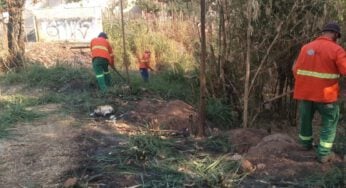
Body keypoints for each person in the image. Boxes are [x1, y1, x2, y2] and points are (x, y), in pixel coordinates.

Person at [292, 22, 346, 163]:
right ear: (335, 34)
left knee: (305, 119)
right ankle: (323, 154)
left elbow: (295, 70)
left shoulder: (306, 48)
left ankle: (305, 144)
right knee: (329, 122)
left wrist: (306, 84)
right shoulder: (337, 50)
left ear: (323, 32)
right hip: (326, 96)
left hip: (306, 94)